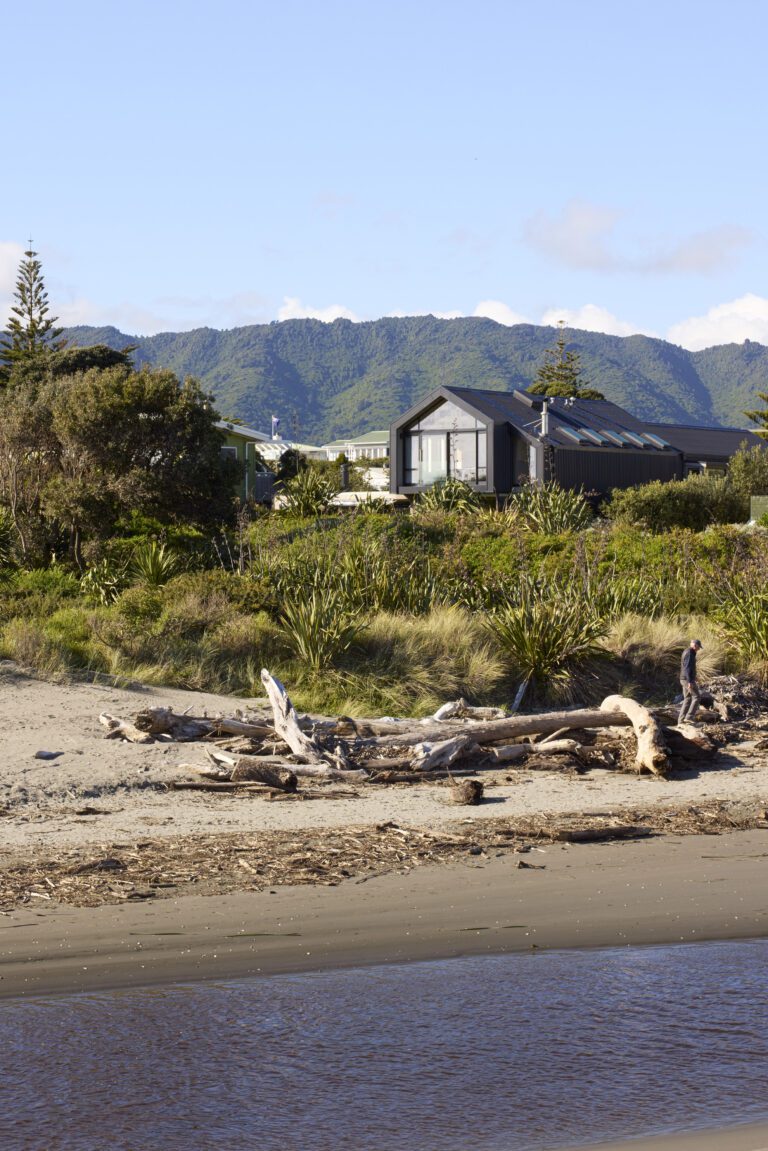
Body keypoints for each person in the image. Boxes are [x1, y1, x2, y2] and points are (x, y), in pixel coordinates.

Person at [678, 639, 703, 724]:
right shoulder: (689, 653)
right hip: (686, 679)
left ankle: (680, 721)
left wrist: (694, 678)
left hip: (683, 678)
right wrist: (690, 681)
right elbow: (687, 668)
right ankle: (689, 717)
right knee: (696, 697)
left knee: (687, 698)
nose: (699, 649)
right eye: (699, 647)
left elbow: (688, 667)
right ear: (695, 646)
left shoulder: (688, 652)